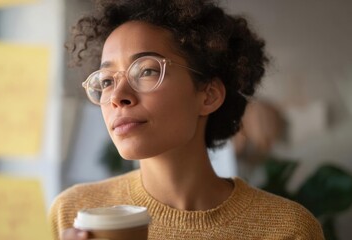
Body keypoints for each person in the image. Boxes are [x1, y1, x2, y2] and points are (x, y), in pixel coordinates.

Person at [50, 0, 324, 239]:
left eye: (146, 71)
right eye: (107, 81)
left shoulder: (287, 229)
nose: (117, 97)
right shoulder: (73, 213)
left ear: (208, 95)